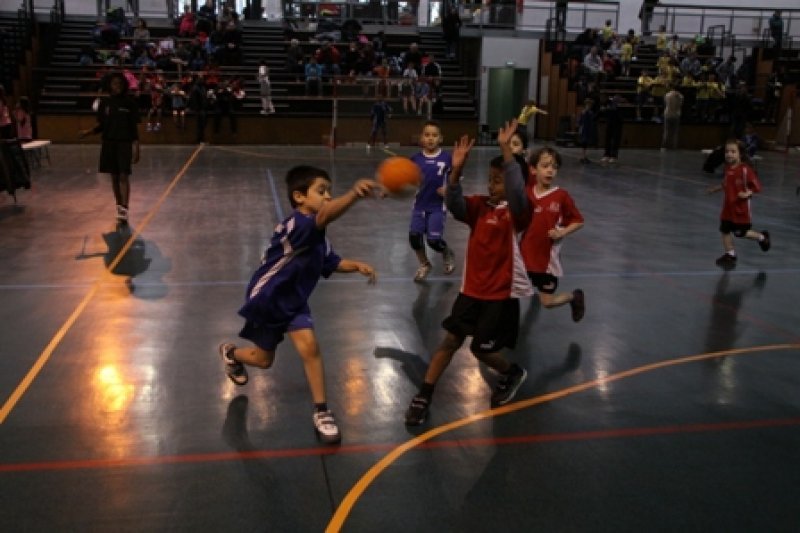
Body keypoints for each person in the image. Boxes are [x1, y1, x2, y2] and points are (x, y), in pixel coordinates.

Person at [218, 166, 380, 444]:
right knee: (264, 360)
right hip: (268, 298)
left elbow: (331, 262)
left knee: (310, 348)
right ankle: (231, 354)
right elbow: (326, 215)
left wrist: (356, 266)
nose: (328, 196)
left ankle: (322, 412)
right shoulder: (300, 224)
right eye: (321, 191)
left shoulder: (318, 235)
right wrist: (354, 194)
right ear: (299, 197)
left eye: (329, 191)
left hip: (294, 300)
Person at [404, 124, 533, 426]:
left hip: (499, 296)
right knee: (450, 342)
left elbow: (517, 191)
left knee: (480, 350)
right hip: (471, 291)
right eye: (490, 180)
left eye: (497, 181)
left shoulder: (518, 213)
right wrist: (456, 172)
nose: (491, 185)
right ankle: (423, 395)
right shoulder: (480, 207)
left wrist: (506, 151)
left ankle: (512, 372)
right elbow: (455, 203)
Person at [506, 142, 585, 322]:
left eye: (554, 167)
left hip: (546, 263)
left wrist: (562, 232)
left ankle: (574, 297)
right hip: (523, 257)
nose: (550, 171)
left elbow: (578, 221)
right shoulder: (526, 193)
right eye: (545, 166)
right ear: (533, 170)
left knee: (547, 302)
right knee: (508, 292)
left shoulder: (561, 196)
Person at [79, 72, 140, 224]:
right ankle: (119, 206)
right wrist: (88, 132)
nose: (117, 86)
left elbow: (134, 128)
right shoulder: (105, 103)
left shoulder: (130, 103)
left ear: (124, 85)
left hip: (124, 143)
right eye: (114, 83)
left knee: (124, 175)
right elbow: (101, 125)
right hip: (109, 143)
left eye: (120, 83)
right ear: (109, 85)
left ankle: (125, 208)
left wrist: (136, 147)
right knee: (114, 177)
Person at [706, 139, 770, 270]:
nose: (729, 154)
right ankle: (730, 254)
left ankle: (762, 237)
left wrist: (747, 194)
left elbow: (757, 186)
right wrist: (715, 189)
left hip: (741, 210)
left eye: (733, 151)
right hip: (728, 208)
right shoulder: (728, 168)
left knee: (741, 233)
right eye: (727, 151)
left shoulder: (745, 170)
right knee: (724, 230)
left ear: (740, 153)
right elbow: (726, 183)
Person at [409, 121, 456, 281]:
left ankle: (446, 252)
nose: (430, 138)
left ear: (440, 138)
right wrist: (390, 190)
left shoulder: (446, 158)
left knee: (433, 241)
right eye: (427, 135)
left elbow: (455, 180)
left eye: (434, 135)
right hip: (419, 205)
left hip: (437, 206)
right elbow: (406, 181)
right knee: (414, 238)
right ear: (422, 138)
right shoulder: (415, 159)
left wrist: (448, 189)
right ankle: (424, 264)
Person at [601, 94, 623, 163]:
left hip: (617, 125)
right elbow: (603, 111)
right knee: (607, 139)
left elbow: (620, 117)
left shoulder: (619, 107)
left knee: (615, 141)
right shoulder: (608, 104)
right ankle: (606, 155)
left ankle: (614, 156)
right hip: (609, 124)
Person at [661, 83, 683, 151]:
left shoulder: (667, 95)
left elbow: (665, 104)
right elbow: (680, 105)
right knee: (675, 132)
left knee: (666, 131)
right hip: (676, 114)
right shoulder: (681, 96)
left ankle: (664, 146)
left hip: (668, 114)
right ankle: (674, 147)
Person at [577, 98, 596, 164]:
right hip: (584, 129)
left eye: (590, 105)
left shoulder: (591, 112)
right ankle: (583, 156)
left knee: (586, 143)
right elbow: (580, 121)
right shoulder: (583, 112)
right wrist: (580, 129)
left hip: (588, 129)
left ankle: (584, 156)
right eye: (588, 104)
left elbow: (592, 120)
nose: (589, 106)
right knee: (584, 142)